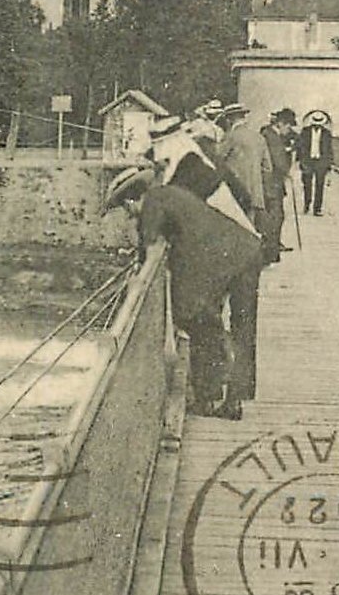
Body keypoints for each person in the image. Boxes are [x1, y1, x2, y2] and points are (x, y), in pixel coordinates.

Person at [104, 166, 263, 419]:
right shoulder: (167, 193)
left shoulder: (152, 205)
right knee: (242, 327)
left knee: (195, 318)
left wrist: (136, 282)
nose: (130, 215)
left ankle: (208, 396)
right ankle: (233, 398)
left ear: (132, 200)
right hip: (245, 250)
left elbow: (152, 251)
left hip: (225, 258)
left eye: (126, 209)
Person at [215, 102, 270, 401]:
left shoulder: (231, 139)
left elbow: (217, 163)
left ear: (229, 120)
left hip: (233, 199)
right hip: (254, 200)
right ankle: (245, 387)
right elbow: (268, 168)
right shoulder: (259, 138)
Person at [259, 109, 297, 263]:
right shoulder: (273, 137)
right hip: (272, 184)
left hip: (271, 183)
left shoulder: (269, 134)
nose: (288, 131)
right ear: (280, 124)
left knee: (274, 216)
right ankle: (271, 252)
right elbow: (278, 162)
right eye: (288, 127)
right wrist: (289, 173)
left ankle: (272, 248)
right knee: (275, 216)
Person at [296, 110, 335, 216]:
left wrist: (330, 164)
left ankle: (317, 208)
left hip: (320, 162)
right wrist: (300, 161)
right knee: (307, 184)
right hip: (308, 161)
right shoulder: (305, 132)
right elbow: (300, 146)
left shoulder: (327, 134)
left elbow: (329, 149)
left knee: (320, 185)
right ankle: (307, 204)